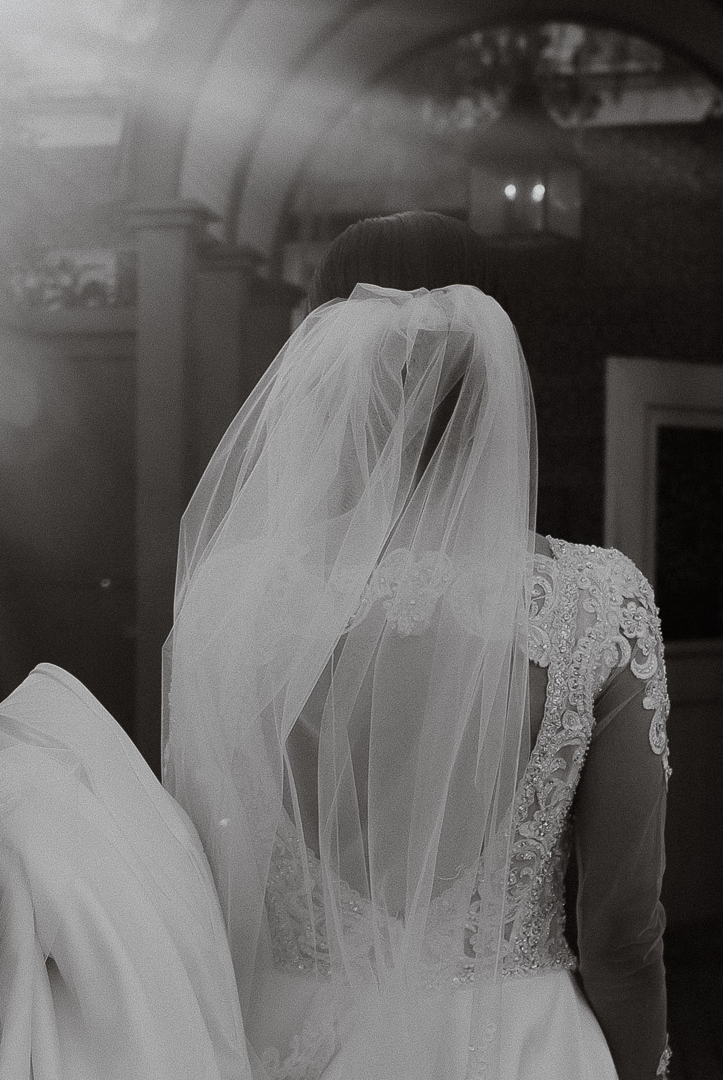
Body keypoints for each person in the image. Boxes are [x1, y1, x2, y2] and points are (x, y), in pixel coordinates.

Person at [164, 211, 673, 1079]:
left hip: (288, 1038)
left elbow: (199, 875)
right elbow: (623, 934)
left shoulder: (234, 595)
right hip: (517, 1046)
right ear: (498, 368)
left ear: (325, 368)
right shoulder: (599, 602)